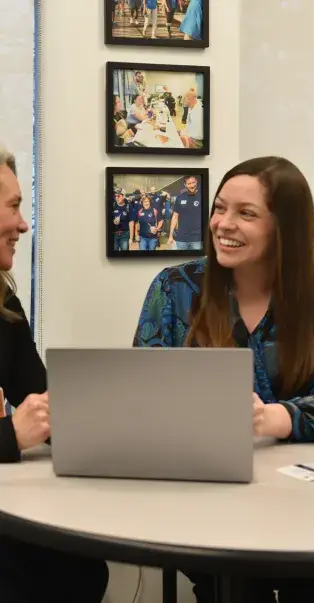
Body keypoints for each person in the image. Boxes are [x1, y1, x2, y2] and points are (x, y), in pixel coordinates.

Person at [134, 156, 314, 603]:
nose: (224, 224)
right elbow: (144, 396)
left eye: (246, 214)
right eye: (219, 208)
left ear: (286, 228)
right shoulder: (175, 288)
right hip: (213, 501)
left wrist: (272, 418)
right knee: (235, 583)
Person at [0, 146, 109, 602]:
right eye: (13, 206)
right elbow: (24, 425)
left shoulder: (5, 310)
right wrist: (10, 436)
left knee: (80, 566)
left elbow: (44, 398)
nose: (24, 224)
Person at [167, 175, 202, 251]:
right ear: (185, 185)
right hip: (181, 239)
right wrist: (170, 235)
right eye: (189, 183)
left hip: (197, 239)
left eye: (193, 182)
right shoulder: (180, 198)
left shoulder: (202, 196)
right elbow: (175, 217)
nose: (192, 185)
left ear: (196, 182)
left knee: (197, 262)